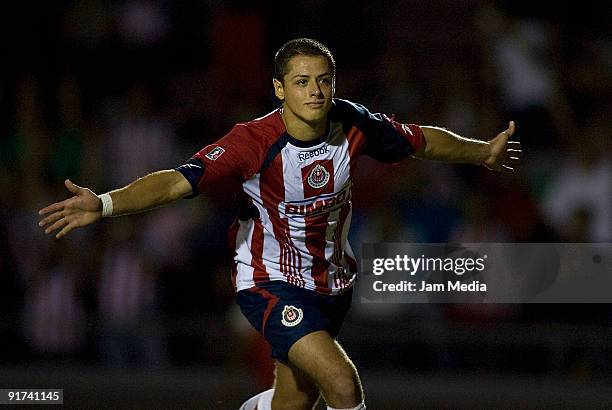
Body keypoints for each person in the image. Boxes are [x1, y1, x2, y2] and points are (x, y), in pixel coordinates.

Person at [39, 38, 520, 409]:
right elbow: (174, 183)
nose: (315, 90)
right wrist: (102, 204)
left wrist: (483, 153)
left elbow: (423, 141)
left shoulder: (353, 123)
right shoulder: (252, 141)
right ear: (279, 88)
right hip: (269, 282)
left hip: (332, 283)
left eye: (324, 80)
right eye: (302, 81)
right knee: (341, 381)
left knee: (295, 401)